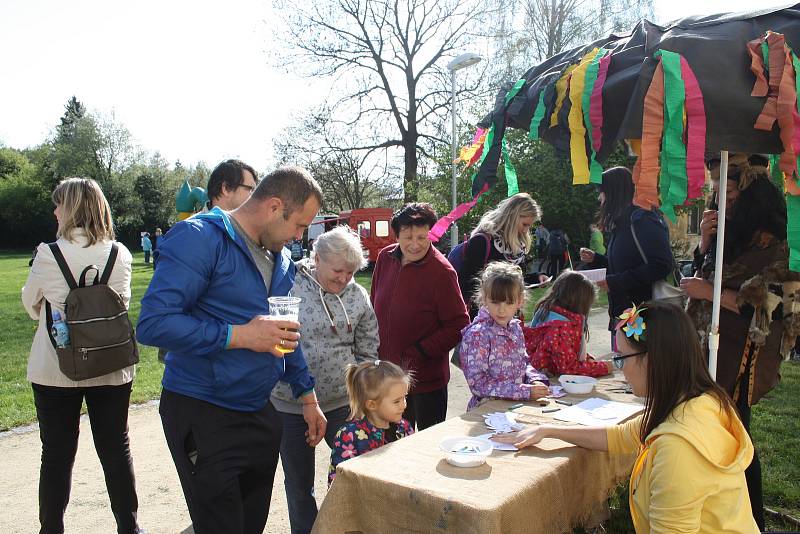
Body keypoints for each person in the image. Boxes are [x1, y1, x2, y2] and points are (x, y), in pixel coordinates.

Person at [136, 166, 327, 534]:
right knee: (221, 526)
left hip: (258, 411)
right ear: (274, 208)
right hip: (202, 410)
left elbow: (283, 335)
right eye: (300, 225)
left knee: (250, 523)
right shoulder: (199, 237)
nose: (300, 236)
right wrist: (238, 336)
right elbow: (153, 323)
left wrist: (307, 396)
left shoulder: (280, 259)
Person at [495, 302, 759, 533]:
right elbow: (619, 436)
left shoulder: (678, 449)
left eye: (622, 358)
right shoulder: (699, 403)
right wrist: (548, 430)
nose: (620, 370)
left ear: (652, 360)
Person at [21, 177, 142, 534]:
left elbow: (31, 305)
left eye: (59, 204)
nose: (55, 211)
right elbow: (122, 304)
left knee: (56, 453)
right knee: (116, 448)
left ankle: (52, 528)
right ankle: (128, 526)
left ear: (70, 208)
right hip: (110, 365)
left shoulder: (49, 253)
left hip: (56, 367)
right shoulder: (120, 253)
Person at [680, 154, 791, 529]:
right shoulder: (731, 230)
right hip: (712, 342)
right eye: (716, 189)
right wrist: (706, 241)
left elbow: (763, 306)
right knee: (716, 424)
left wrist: (707, 292)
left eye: (726, 189)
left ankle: (751, 518)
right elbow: (706, 272)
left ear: (751, 192)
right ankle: (718, 506)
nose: (719, 197)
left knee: (736, 428)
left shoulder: (771, 242)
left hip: (743, 350)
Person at [270, 226, 379, 534]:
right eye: (338, 271)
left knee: (354, 473)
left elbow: (368, 346)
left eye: (351, 272)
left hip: (343, 403)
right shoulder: (288, 288)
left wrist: (364, 392)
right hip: (291, 405)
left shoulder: (357, 295)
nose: (345, 278)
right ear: (316, 258)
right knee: (299, 482)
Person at [370, 203, 469, 430]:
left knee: (425, 449)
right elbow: (374, 303)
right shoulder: (385, 258)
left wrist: (420, 351)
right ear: (397, 235)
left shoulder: (442, 272)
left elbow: (459, 324)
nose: (415, 244)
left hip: (426, 383)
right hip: (387, 378)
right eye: (408, 237)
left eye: (422, 237)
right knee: (390, 446)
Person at [579, 167, 674, 350]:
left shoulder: (642, 219)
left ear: (614, 193)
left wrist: (615, 282)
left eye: (602, 193)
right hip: (623, 312)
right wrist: (597, 259)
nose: (600, 199)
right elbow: (625, 264)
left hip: (641, 313)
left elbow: (662, 264)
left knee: (636, 367)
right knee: (625, 367)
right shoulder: (622, 223)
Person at [460, 262, 549, 410]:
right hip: (487, 411)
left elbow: (523, 363)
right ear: (484, 299)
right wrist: (524, 391)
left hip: (516, 406)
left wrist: (535, 380)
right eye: (495, 302)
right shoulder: (478, 335)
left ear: (520, 301)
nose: (502, 310)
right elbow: (478, 384)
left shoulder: (515, 328)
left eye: (509, 302)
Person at [457, 193, 548, 319]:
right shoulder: (483, 241)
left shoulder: (517, 245)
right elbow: (468, 283)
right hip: (484, 319)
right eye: (525, 224)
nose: (526, 231)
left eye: (529, 225)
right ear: (513, 217)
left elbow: (517, 277)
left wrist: (537, 278)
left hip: (509, 317)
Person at [328, 360, 414, 485]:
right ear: (372, 404)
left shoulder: (404, 427)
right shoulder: (348, 436)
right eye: (396, 401)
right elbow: (339, 482)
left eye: (405, 397)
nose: (404, 405)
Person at [525, 270, 613, 378]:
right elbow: (570, 368)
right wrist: (604, 367)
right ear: (582, 303)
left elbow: (567, 350)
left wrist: (587, 358)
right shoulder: (561, 327)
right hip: (551, 382)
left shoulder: (548, 311)